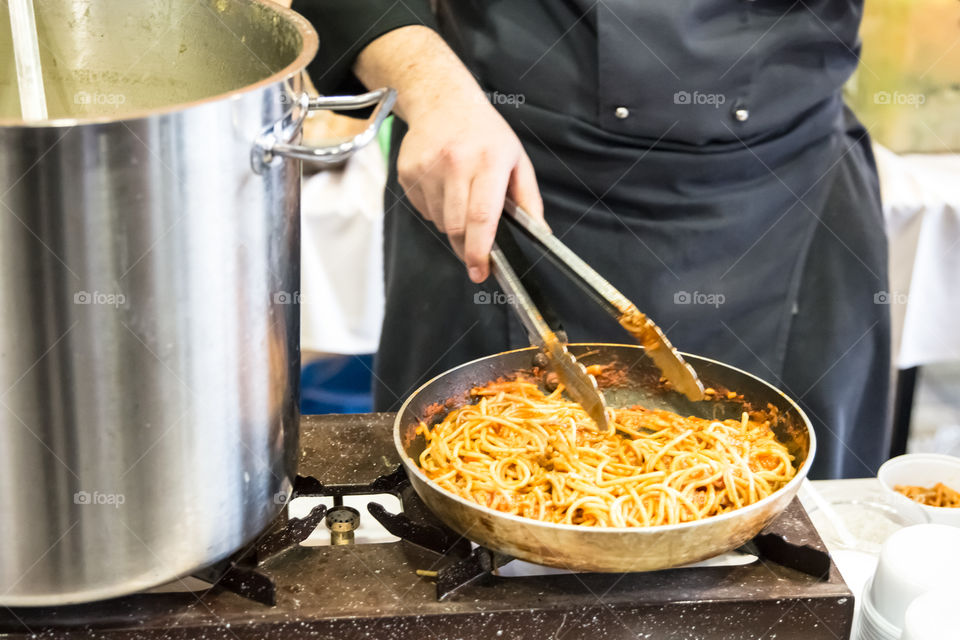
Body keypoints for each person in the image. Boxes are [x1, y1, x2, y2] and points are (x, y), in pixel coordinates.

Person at [292, 1, 891, 479]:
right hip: (492, 158)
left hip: (782, 179)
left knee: (801, 547)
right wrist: (430, 90)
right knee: (454, 523)